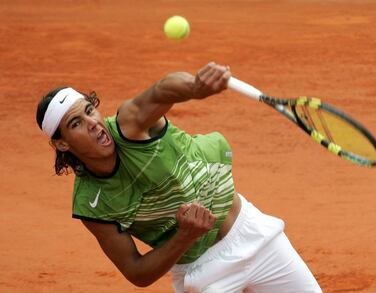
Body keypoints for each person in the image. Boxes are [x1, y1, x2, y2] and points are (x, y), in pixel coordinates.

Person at [36, 62, 322, 292]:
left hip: (254, 235)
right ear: (62, 144)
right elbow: (136, 272)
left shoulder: (130, 125)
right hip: (202, 270)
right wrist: (186, 236)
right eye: (76, 124)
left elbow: (161, 91)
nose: (93, 124)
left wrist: (195, 87)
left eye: (90, 111)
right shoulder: (91, 204)